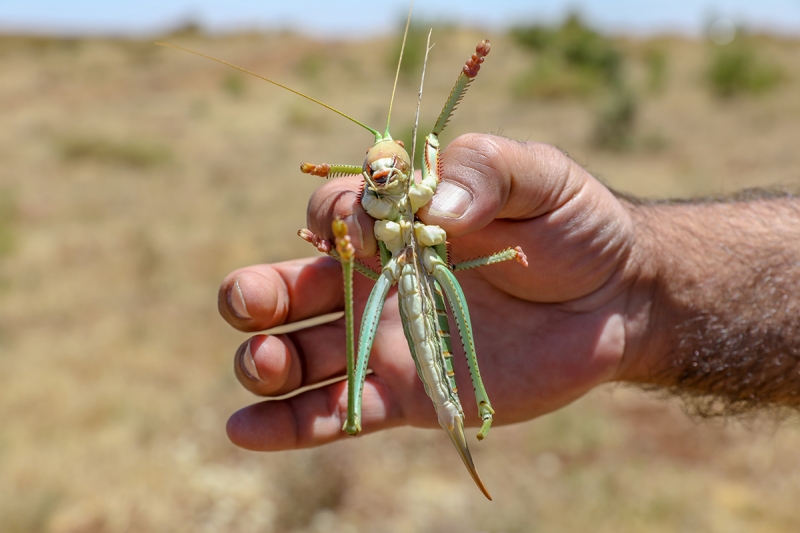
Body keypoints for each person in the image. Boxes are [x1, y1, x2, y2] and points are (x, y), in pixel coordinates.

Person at [218, 133, 800, 452]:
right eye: (371, 171)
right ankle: (347, 273)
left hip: (436, 274)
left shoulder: (425, 181)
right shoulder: (374, 193)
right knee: (362, 284)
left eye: (390, 167)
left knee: (455, 317)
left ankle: (478, 404)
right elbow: (373, 202)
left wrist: (631, 285)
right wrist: (344, 232)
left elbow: (431, 156)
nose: (381, 173)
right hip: (392, 271)